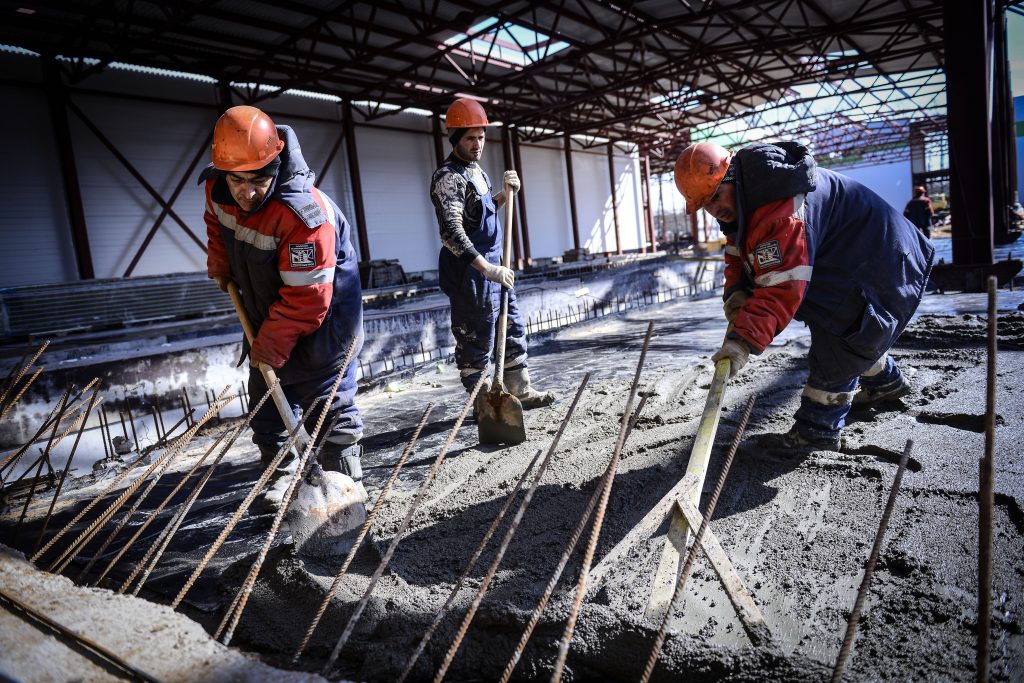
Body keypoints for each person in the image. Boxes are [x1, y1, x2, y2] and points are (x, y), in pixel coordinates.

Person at [674, 141, 934, 450]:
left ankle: (817, 430)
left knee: (844, 329)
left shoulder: (780, 206)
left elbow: (782, 287)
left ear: (733, 176)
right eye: (706, 203)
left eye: (716, 196)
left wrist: (741, 340)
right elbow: (738, 249)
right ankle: (886, 382)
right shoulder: (750, 199)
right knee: (834, 316)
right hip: (856, 256)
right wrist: (736, 295)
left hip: (884, 262)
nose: (714, 208)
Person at [202, 105, 365, 507]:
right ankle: (282, 476)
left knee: (328, 408)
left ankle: (343, 487)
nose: (247, 191)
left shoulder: (305, 215)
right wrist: (220, 263)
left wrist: (270, 346)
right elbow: (216, 225)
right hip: (264, 312)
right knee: (268, 409)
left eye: (258, 180)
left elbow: (308, 299)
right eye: (237, 180)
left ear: (275, 163)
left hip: (325, 325)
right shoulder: (219, 189)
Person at [429, 98, 555, 408]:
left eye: (481, 137)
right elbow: (452, 234)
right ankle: (486, 406)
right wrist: (487, 269)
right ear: (456, 138)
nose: (477, 144)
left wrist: (504, 194)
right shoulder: (449, 178)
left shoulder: (476, 172)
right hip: (471, 275)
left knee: (510, 328)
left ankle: (519, 391)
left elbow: (478, 214)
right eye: (470, 138)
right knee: (476, 340)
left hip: (494, 268)